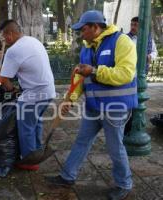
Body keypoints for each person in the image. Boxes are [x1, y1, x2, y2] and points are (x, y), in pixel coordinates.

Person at [45, 10, 138, 200]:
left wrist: (94, 71)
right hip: (94, 107)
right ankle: (67, 176)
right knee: (81, 141)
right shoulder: (86, 48)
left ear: (96, 27)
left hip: (115, 107)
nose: (81, 34)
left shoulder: (121, 41)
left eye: (84, 29)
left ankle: (124, 184)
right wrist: (70, 99)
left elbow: (125, 74)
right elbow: (80, 77)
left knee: (115, 148)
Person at [0, 20, 56, 171]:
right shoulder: (33, 40)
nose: (4, 40)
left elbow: (3, 79)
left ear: (10, 34)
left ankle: (29, 161)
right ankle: (36, 150)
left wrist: (12, 90)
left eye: (4, 37)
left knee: (26, 128)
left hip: (34, 94)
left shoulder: (13, 50)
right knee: (36, 123)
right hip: (48, 91)